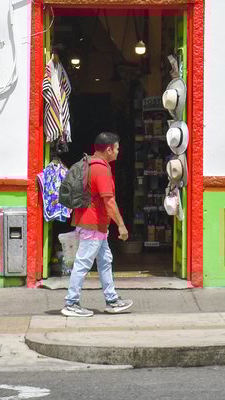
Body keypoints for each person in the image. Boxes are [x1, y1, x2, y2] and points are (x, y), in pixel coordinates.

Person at [61, 131, 134, 317]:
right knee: (83, 263)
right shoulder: (100, 169)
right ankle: (71, 303)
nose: (118, 152)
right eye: (117, 148)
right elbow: (109, 201)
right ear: (109, 149)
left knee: (105, 262)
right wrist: (122, 225)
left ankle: (112, 300)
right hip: (92, 226)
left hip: (96, 226)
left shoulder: (91, 164)